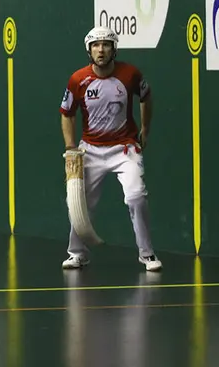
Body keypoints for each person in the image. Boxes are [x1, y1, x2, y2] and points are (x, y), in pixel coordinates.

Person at [59, 26, 161, 272]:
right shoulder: (77, 79)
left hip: (124, 149)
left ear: (114, 49)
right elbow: (66, 114)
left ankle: (147, 254)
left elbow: (146, 96)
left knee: (136, 196)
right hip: (90, 150)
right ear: (89, 50)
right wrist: (71, 148)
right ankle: (77, 253)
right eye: (95, 45)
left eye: (106, 44)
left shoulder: (130, 74)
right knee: (79, 203)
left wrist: (145, 129)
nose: (101, 49)